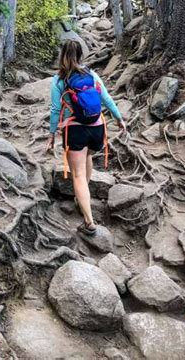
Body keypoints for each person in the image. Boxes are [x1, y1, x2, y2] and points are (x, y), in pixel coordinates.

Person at [46, 40, 126, 235]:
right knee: (88, 157)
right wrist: (119, 119)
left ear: (62, 56)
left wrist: (51, 134)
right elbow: (106, 98)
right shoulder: (91, 74)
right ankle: (82, 196)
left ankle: (89, 223)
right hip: (97, 128)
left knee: (78, 175)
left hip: (76, 130)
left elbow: (56, 110)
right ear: (81, 55)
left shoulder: (59, 80)